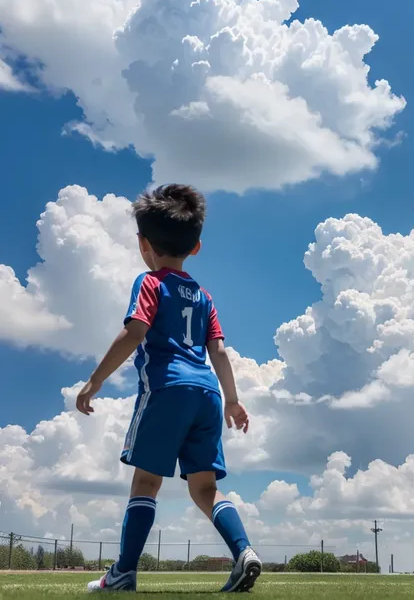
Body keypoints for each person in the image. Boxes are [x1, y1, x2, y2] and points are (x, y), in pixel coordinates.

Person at [76, 184, 262, 593]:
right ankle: (244, 551)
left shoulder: (149, 283)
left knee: (146, 482)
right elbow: (220, 351)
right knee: (204, 488)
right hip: (209, 394)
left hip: (166, 389)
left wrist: (96, 379)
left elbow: (135, 331)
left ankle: (122, 573)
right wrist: (232, 400)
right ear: (196, 247)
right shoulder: (204, 296)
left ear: (143, 244)